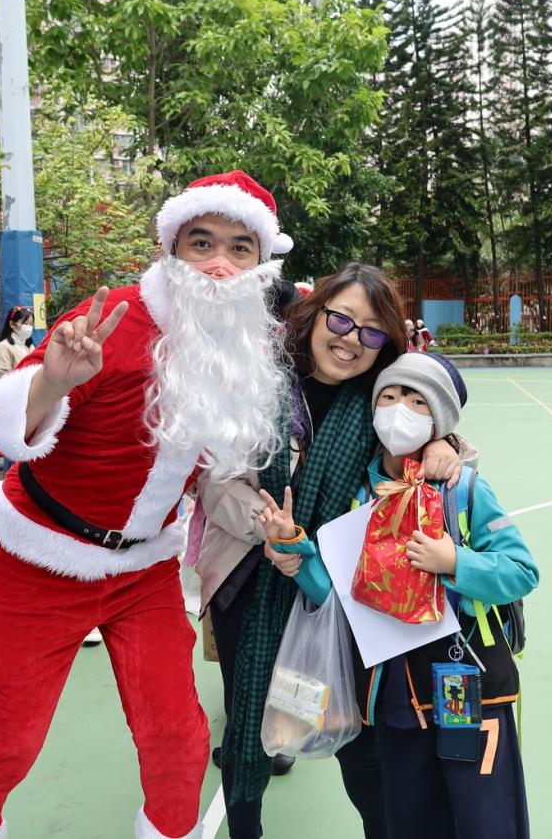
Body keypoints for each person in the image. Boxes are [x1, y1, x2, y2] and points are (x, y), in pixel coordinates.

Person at [0, 170, 295, 839]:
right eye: (202, 243)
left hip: (145, 572)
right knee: (7, 738)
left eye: (240, 248)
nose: (219, 263)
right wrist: (50, 385)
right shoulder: (111, 322)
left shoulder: (246, 342)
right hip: (42, 564)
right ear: (170, 250)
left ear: (260, 264)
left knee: (178, 736)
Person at [194, 264, 471, 839]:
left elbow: (433, 432)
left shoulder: (378, 400)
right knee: (248, 719)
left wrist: (444, 444)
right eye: (341, 320)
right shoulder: (257, 381)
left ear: (385, 343)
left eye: (370, 331)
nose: (350, 339)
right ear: (314, 313)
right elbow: (216, 480)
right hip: (249, 575)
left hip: (343, 587)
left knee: (359, 734)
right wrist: (269, 528)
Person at [261, 352, 537, 839]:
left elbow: (521, 571)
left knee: (487, 819)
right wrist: (296, 550)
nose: (399, 410)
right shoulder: (359, 496)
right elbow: (340, 597)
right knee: (409, 821)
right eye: (388, 397)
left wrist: (455, 562)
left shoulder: (462, 489)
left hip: (468, 686)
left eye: (416, 401)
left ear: (439, 420)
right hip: (394, 698)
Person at [0, 305, 35, 376]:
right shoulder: (4, 347)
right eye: (25, 323)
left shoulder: (30, 347)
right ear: (12, 324)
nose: (29, 328)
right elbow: (4, 376)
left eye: (31, 324)